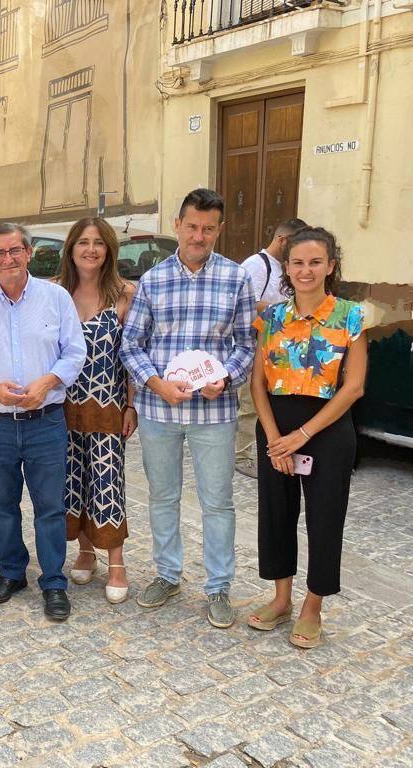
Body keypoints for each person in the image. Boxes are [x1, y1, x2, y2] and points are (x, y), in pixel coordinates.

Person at [120, 188, 256, 629]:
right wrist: (157, 385)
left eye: (209, 228)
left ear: (219, 230)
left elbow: (246, 343)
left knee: (217, 503)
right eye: (192, 226)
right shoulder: (153, 281)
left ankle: (218, 586)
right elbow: (131, 346)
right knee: (163, 497)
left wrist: (227, 378)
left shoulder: (236, 279)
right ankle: (167, 574)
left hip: (214, 416)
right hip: (161, 414)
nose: (200, 236)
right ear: (177, 225)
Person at [0, 223, 87, 621]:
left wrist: (47, 382)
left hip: (44, 422)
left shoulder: (56, 298)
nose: (7, 259)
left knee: (49, 507)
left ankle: (53, 582)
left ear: (29, 254)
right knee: (4, 506)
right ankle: (12, 573)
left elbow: (74, 352)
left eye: (15, 251)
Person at [247, 227, 366, 649]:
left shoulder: (350, 315)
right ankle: (281, 598)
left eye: (315, 262)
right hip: (277, 425)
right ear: (287, 267)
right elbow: (257, 382)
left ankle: (313, 606)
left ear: (330, 266)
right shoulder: (272, 318)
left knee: (324, 518)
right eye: (297, 262)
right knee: (276, 513)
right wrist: (276, 435)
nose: (306, 270)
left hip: (327, 428)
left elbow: (353, 387)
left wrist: (301, 435)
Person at [55, 217, 137, 604]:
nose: (91, 249)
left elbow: (133, 355)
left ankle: (116, 563)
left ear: (109, 250)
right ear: (71, 249)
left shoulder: (125, 295)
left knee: (107, 483)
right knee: (72, 482)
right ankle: (85, 550)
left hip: (107, 405)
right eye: (83, 242)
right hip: (63, 407)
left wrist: (132, 405)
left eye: (98, 243)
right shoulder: (55, 294)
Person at [235, 218, 308, 478]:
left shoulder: (285, 267)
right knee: (249, 403)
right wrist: (280, 312)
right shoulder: (256, 266)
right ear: (283, 241)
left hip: (282, 349)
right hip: (257, 345)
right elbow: (242, 304)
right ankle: (242, 455)